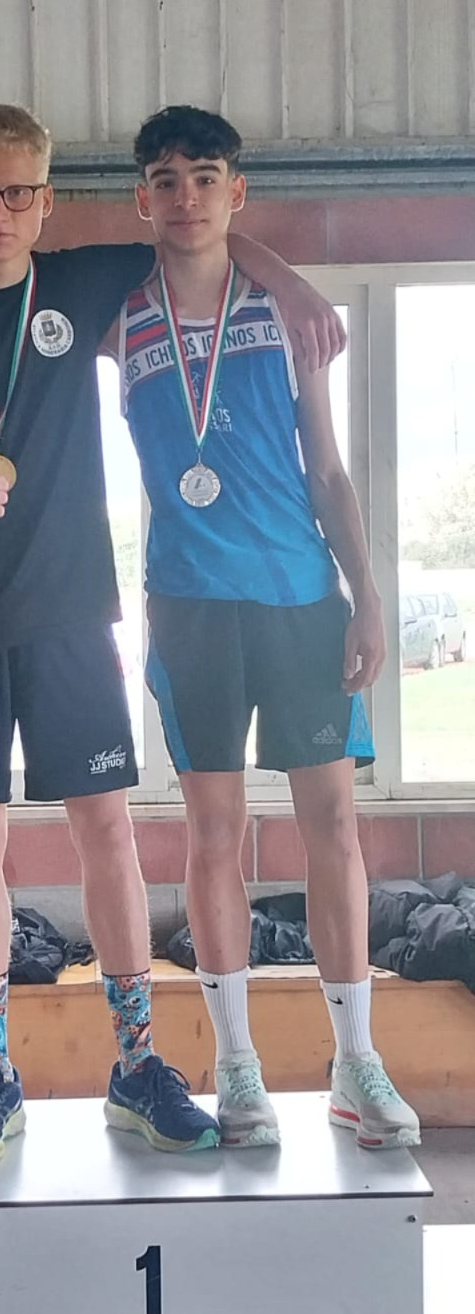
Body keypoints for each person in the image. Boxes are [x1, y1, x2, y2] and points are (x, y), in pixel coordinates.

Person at [0, 102, 346, 1166]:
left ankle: (136, 1063)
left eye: (17, 192)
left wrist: (294, 283)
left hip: (76, 613)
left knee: (110, 836)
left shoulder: (81, 286)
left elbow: (201, 232)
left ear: (45, 201)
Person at [117, 104, 420, 1152]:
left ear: (236, 191)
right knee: (213, 834)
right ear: (142, 198)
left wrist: (368, 593)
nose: (186, 197)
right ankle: (237, 1064)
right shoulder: (121, 317)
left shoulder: (289, 317)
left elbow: (326, 468)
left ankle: (355, 1062)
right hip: (191, 606)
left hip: (300, 600)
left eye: (207, 178)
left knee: (334, 828)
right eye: (166, 180)